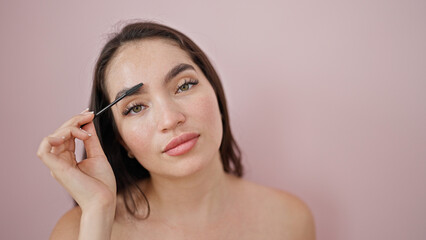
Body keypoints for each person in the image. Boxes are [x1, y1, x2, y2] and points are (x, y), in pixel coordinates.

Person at [37, 21, 315, 240]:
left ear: (216, 94)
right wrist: (98, 214)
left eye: (184, 86)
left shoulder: (290, 219)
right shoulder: (79, 231)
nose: (170, 119)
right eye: (135, 107)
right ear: (121, 141)